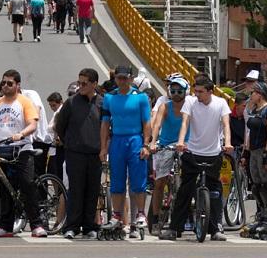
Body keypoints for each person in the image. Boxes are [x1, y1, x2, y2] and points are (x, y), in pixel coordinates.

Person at [0, 69, 48, 237]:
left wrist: (21, 134)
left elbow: (32, 124)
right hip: (1, 149)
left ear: (17, 85)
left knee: (27, 183)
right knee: (3, 188)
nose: (6, 86)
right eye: (4, 83)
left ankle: (36, 224)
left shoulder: (24, 102)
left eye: (10, 83)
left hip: (22, 148)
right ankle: (6, 225)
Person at [160, 74, 232, 241]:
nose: (196, 94)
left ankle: (215, 229)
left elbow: (226, 124)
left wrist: (227, 143)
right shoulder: (191, 102)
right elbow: (185, 122)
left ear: (210, 91)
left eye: (200, 91)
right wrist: (180, 141)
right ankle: (174, 228)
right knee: (185, 190)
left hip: (213, 153)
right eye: (195, 91)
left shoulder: (220, 103)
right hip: (192, 152)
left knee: (215, 192)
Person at [99, 65, 151, 237]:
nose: (121, 81)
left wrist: (146, 144)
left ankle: (141, 213)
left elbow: (146, 123)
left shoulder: (141, 97)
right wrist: (104, 147)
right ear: (115, 79)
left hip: (135, 139)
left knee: (138, 180)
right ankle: (117, 214)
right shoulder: (109, 97)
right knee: (117, 181)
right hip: (117, 141)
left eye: (125, 78)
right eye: (118, 78)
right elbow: (105, 123)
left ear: (131, 78)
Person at [54, 68, 103, 239]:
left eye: (84, 83)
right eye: (79, 82)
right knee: (75, 190)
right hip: (75, 153)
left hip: (95, 154)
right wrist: (69, 142)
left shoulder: (102, 103)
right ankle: (72, 226)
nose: (80, 86)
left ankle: (89, 225)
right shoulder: (71, 102)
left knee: (92, 190)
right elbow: (59, 126)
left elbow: (106, 128)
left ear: (94, 84)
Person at [148, 75, 192, 231]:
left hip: (186, 146)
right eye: (172, 90)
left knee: (192, 180)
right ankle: (155, 218)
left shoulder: (192, 105)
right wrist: (153, 143)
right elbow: (157, 125)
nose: (176, 93)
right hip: (166, 145)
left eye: (179, 90)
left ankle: (191, 214)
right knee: (160, 182)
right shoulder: (164, 107)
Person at [241, 81, 267, 239]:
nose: (251, 95)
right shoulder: (254, 110)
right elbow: (249, 133)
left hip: (266, 150)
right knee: (257, 187)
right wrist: (246, 153)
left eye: (254, 92)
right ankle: (261, 215)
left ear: (261, 94)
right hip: (254, 151)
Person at [46, 92, 65, 182]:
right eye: (51, 106)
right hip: (54, 146)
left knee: (56, 173)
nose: (52, 108)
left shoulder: (60, 112)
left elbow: (54, 127)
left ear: (60, 102)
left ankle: (59, 194)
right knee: (54, 173)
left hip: (59, 146)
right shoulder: (57, 112)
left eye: (54, 105)